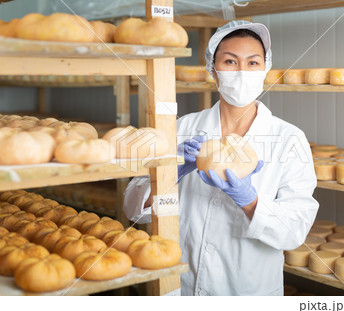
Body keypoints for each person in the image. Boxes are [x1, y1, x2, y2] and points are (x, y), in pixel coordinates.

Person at [124, 20, 319, 296]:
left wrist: (249, 201)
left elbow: (295, 231)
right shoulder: (182, 129)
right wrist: (169, 172)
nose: (242, 72)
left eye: (252, 63)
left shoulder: (289, 138)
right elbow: (133, 210)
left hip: (247, 291)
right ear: (213, 71)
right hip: (182, 285)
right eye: (230, 61)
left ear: (265, 69)